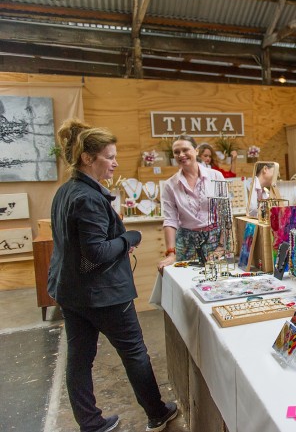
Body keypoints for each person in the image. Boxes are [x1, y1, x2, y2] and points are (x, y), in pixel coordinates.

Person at [48, 119, 177, 432]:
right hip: (103, 294)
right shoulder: (88, 198)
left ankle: (90, 423)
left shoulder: (66, 191)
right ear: (88, 158)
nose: (115, 163)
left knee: (79, 359)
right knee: (134, 353)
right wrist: (129, 239)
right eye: (109, 156)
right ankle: (157, 413)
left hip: (72, 291)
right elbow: (95, 253)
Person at [158, 135, 224, 271]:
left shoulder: (216, 176)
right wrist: (171, 254)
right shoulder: (170, 185)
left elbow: (225, 215)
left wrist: (221, 246)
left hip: (215, 241)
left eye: (185, 150)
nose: (181, 155)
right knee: (187, 284)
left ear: (196, 151)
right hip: (186, 244)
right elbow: (170, 220)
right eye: (176, 152)